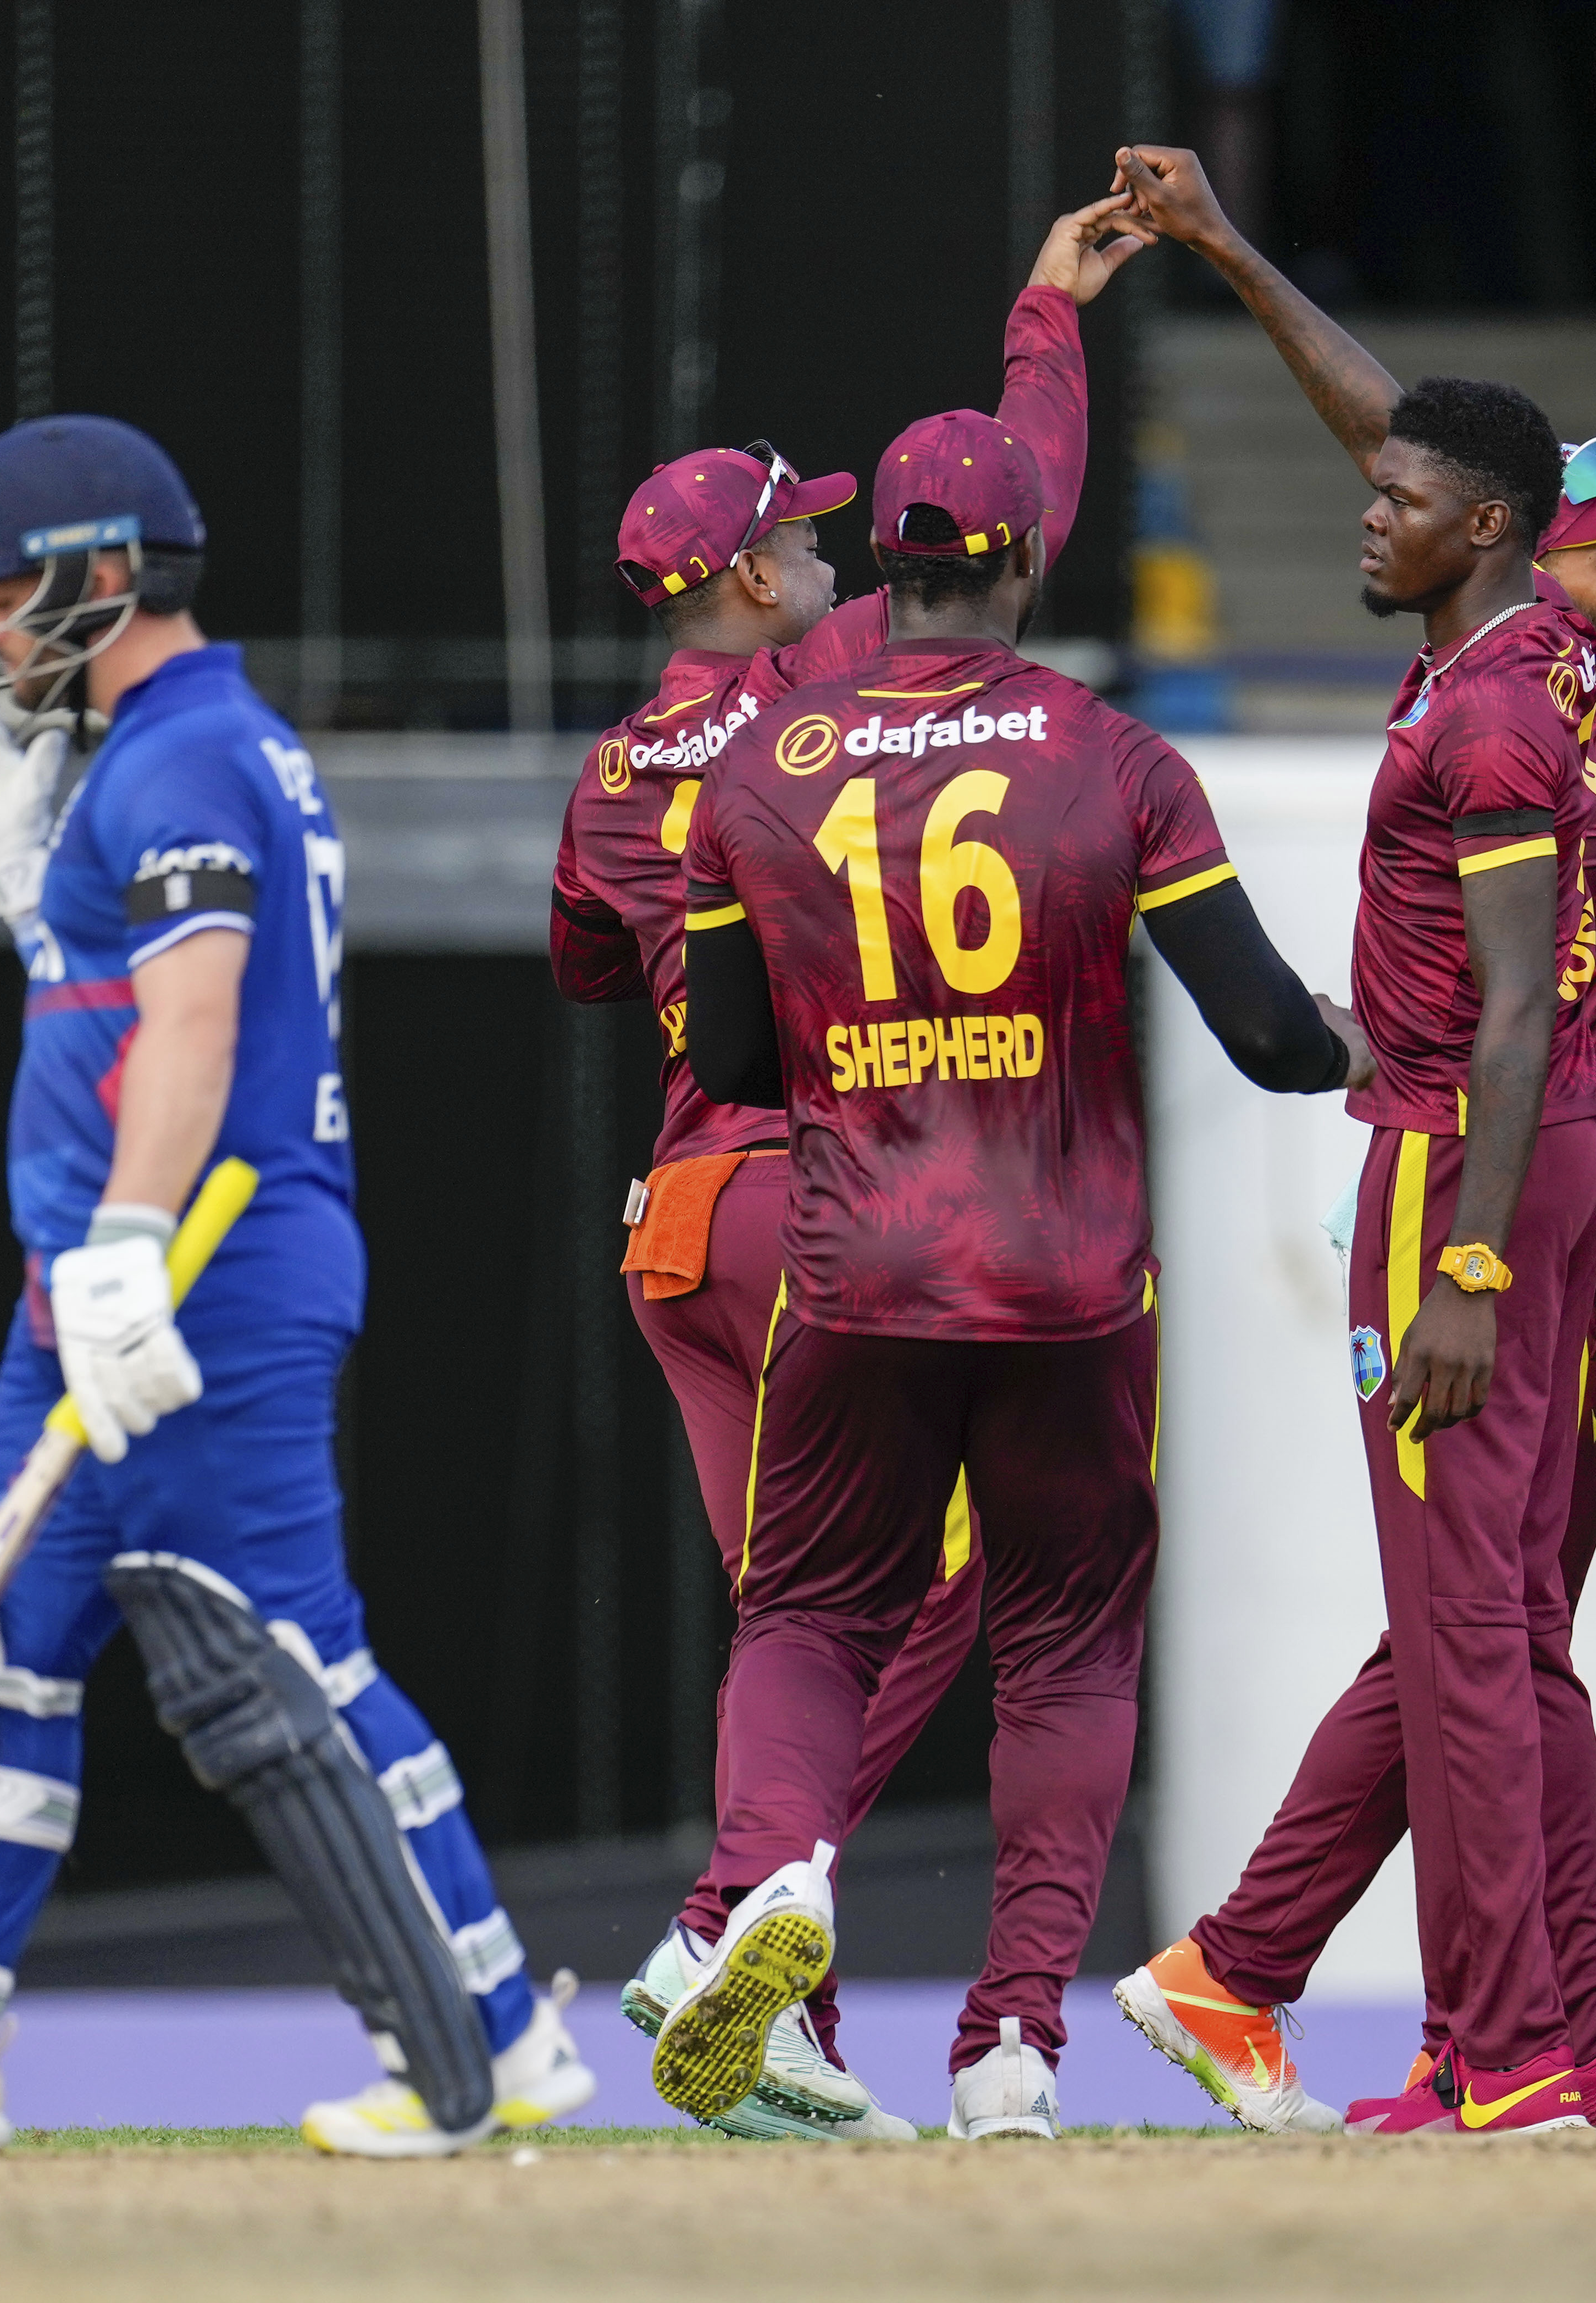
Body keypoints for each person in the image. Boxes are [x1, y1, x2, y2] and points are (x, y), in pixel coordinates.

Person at [1098, 142, 1596, 2138]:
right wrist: (1221, 245)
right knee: (1496, 1627)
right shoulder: (1525, 672)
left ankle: (1504, 2048)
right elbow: (1410, 436)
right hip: (1551, 1187)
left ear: (1482, 535)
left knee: (1472, 1632)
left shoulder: (1537, 719)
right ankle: (1494, 2027)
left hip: (1479, 1180)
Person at [0, 417, 594, 2157]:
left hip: (199, 1268)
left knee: (278, 1659)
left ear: (100, 573)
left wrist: (129, 1249)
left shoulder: (191, 752)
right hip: (104, 1279)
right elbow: (123, 985)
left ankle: (489, 2035)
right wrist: (26, 880)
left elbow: (198, 1024)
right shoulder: (156, 757)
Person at [653, 407, 1370, 2143]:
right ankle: (1010, 2049)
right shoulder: (1113, 758)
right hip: (1067, 1282)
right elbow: (1269, 1030)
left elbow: (736, 1054)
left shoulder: (760, 768)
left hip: (853, 1268)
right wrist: (1369, 1047)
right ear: (1031, 554)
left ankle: (771, 1882)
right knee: (1065, 1650)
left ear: (884, 566)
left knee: (812, 1614)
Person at [548, 195, 1145, 2144]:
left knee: (796, 1622)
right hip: (825, 1214)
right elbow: (1022, 498)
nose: (823, 548)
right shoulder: (829, 700)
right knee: (918, 1598)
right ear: (740, 581)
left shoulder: (619, 764)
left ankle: (762, 1979)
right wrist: (1046, 314)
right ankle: (730, 1918)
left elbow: (582, 956)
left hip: (671, 1232)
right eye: (793, 537)